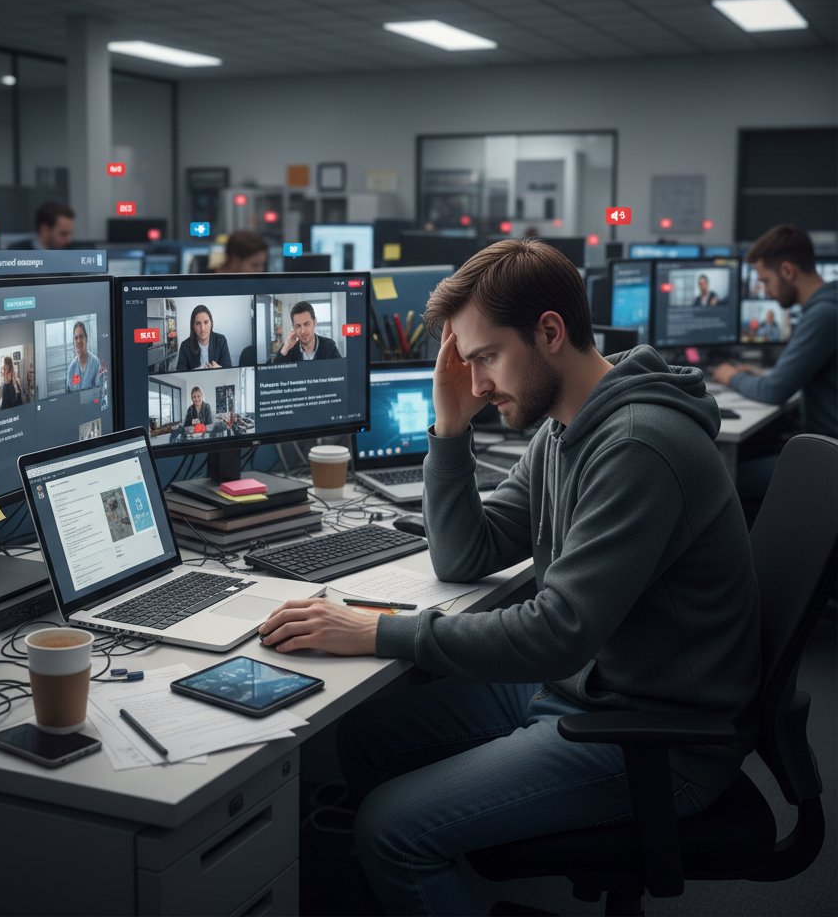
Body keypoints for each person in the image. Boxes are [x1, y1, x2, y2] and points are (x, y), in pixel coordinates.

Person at [257, 239, 760, 915]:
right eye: (467, 363)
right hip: (586, 691)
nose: (479, 383)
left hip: (654, 737)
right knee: (369, 738)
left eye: (487, 358)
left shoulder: (638, 446)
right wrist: (449, 426)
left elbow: (556, 634)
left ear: (549, 332)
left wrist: (377, 632)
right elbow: (467, 556)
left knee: (390, 829)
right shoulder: (565, 428)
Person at [711, 225, 837, 497]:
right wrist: (755, 374)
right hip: (822, 446)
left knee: (721, 480)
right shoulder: (828, 304)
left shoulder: (824, 315)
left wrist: (730, 377)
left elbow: (774, 391)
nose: (766, 293)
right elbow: (798, 374)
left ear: (788, 271)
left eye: (766, 281)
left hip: (828, 459)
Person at [273, 301, 341, 362]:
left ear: (314, 322)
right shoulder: (289, 349)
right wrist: (286, 347)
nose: (303, 331)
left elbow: (340, 371)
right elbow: (274, 374)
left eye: (307, 324)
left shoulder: (329, 346)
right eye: (298, 326)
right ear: (293, 327)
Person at [176, 304, 231, 371]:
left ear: (211, 323)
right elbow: (180, 372)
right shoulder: (185, 345)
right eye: (198, 323)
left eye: (206, 322)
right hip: (194, 381)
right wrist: (196, 372)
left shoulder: (221, 340)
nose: (202, 328)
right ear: (193, 326)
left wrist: (219, 369)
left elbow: (228, 369)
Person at [9, 202, 75, 251]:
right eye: (63, 234)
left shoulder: (72, 254)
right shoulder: (16, 254)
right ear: (45, 230)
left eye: (70, 233)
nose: (69, 240)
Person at [66, 320, 100, 392]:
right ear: (73, 342)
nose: (78, 341)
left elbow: (99, 392)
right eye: (76, 338)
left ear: (86, 339)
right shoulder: (71, 369)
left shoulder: (95, 363)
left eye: (81, 337)